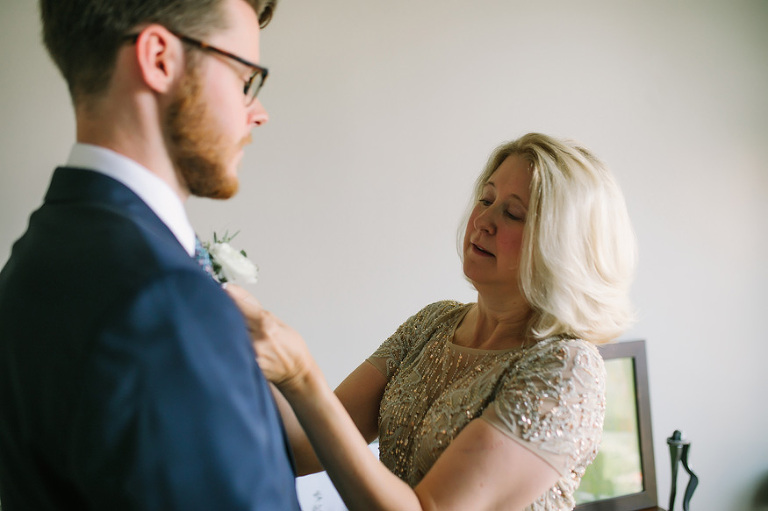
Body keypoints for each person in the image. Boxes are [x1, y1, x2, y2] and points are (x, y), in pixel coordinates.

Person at [227, 132, 637, 510]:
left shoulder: (566, 369)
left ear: (562, 247)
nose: (483, 221)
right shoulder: (434, 322)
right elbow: (303, 445)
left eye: (513, 213)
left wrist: (301, 375)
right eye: (486, 198)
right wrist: (229, 343)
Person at [0, 1, 300, 509]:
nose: (258, 112)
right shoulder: (163, 301)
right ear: (160, 58)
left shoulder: (35, 255)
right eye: (244, 78)